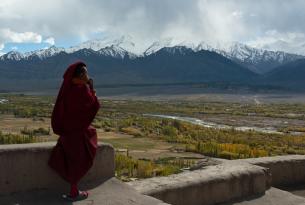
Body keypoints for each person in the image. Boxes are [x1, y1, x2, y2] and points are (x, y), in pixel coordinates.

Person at [48, 61, 100, 201]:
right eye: (85, 72)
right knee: (78, 161)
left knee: (70, 161)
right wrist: (92, 91)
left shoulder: (67, 89)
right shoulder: (82, 90)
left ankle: (74, 190)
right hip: (77, 133)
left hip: (67, 132)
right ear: (81, 75)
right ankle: (74, 192)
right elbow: (93, 107)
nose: (87, 75)